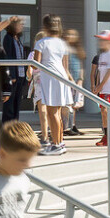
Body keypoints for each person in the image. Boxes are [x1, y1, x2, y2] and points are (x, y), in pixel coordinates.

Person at [29, 15, 74, 154]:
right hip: (61, 77)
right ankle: (59, 143)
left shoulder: (41, 42)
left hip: (49, 77)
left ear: (45, 27)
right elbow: (65, 66)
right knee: (58, 113)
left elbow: (36, 63)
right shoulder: (63, 43)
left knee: (52, 112)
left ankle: (56, 144)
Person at [0, 16, 30, 125]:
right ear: (13, 25)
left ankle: (15, 125)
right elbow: (8, 57)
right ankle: (7, 128)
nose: (22, 26)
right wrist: (12, 76)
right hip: (13, 77)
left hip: (20, 76)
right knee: (9, 104)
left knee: (17, 103)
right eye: (20, 24)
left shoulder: (18, 39)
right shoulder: (8, 38)